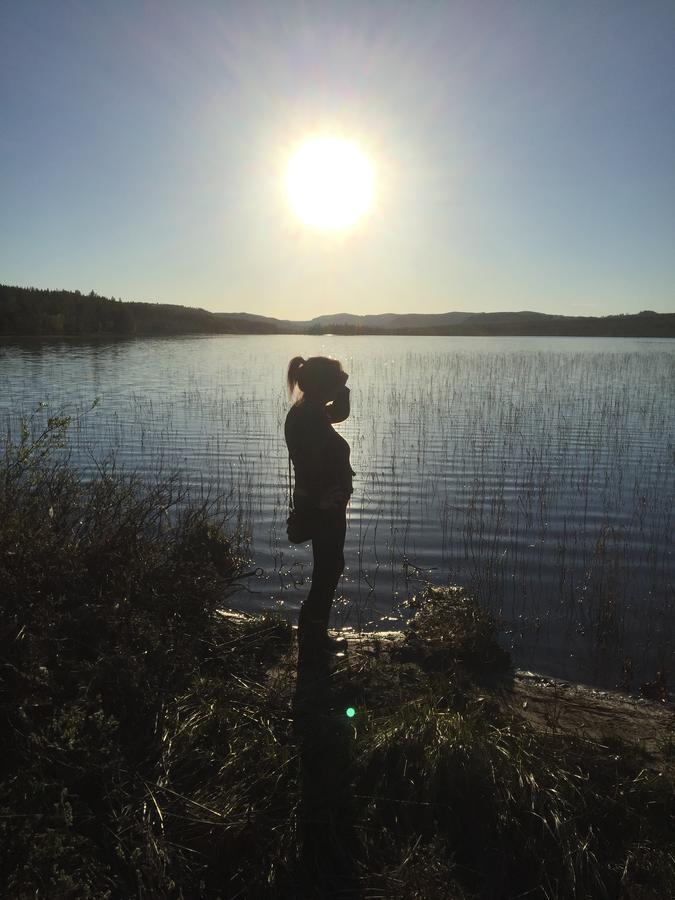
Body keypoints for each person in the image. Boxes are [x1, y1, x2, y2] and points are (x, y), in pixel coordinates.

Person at [285, 355, 355, 662]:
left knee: (328, 566)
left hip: (323, 502)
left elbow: (338, 413)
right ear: (321, 385)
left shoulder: (311, 410)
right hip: (322, 505)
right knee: (328, 568)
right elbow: (312, 465)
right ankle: (313, 640)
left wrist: (344, 392)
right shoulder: (308, 417)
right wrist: (322, 501)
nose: (341, 383)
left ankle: (312, 636)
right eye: (336, 380)